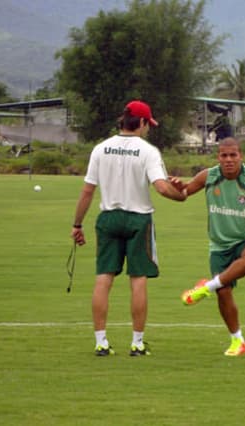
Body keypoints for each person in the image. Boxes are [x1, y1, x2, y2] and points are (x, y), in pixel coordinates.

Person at [71, 100, 187, 357]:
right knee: (138, 280)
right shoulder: (148, 151)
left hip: (108, 217)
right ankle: (137, 342)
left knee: (104, 278)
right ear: (143, 122)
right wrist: (182, 195)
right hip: (138, 219)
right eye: (149, 124)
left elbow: (88, 190)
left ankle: (101, 342)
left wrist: (77, 224)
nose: (148, 129)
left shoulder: (101, 149)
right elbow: (161, 186)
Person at [173, 137, 245, 356]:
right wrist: (177, 188)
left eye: (233, 155)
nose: (229, 160)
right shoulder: (208, 176)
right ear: (218, 157)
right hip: (218, 245)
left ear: (240, 156)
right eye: (224, 155)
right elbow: (183, 194)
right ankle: (237, 341)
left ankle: (205, 288)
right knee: (224, 292)